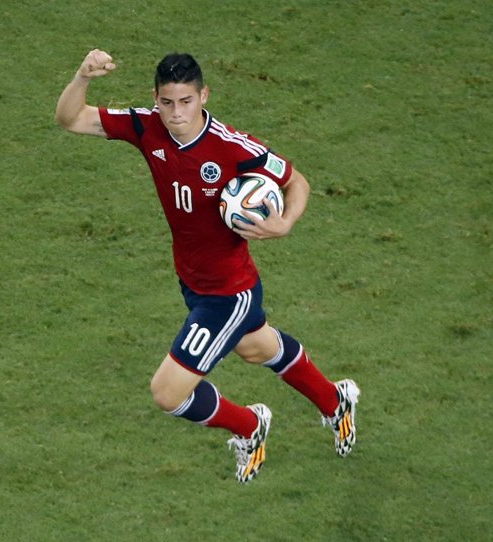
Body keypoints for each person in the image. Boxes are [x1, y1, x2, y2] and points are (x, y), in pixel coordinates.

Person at [55, 49, 360, 483]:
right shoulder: (147, 125)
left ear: (204, 96)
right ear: (155, 99)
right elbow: (71, 118)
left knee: (167, 392)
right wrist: (82, 75)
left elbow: (296, 182)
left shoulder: (233, 148)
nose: (176, 113)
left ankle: (250, 426)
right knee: (255, 347)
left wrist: (285, 224)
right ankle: (335, 400)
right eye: (167, 102)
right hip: (193, 280)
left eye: (186, 101)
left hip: (227, 293)